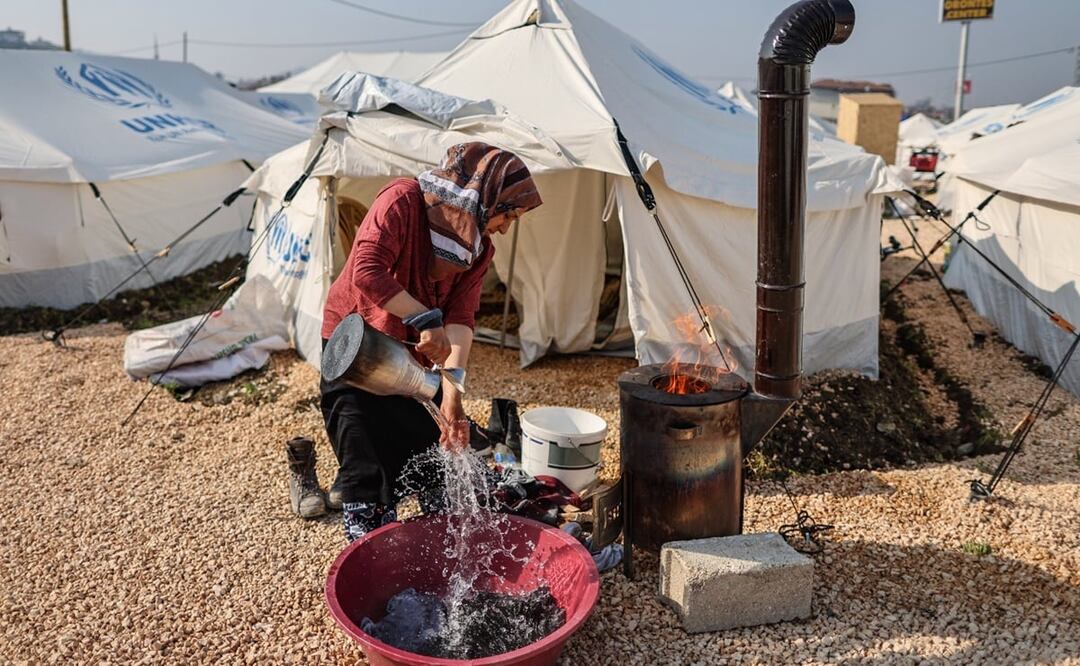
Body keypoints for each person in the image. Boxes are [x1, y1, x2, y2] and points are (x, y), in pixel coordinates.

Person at [319, 142, 543, 542]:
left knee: (427, 452)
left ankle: (431, 549)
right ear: (482, 196)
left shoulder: (479, 249)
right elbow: (366, 271)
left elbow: (461, 318)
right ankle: (370, 541)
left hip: (409, 352)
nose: (506, 227)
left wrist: (453, 393)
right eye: (507, 214)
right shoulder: (401, 201)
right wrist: (424, 317)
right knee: (364, 455)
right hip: (359, 343)